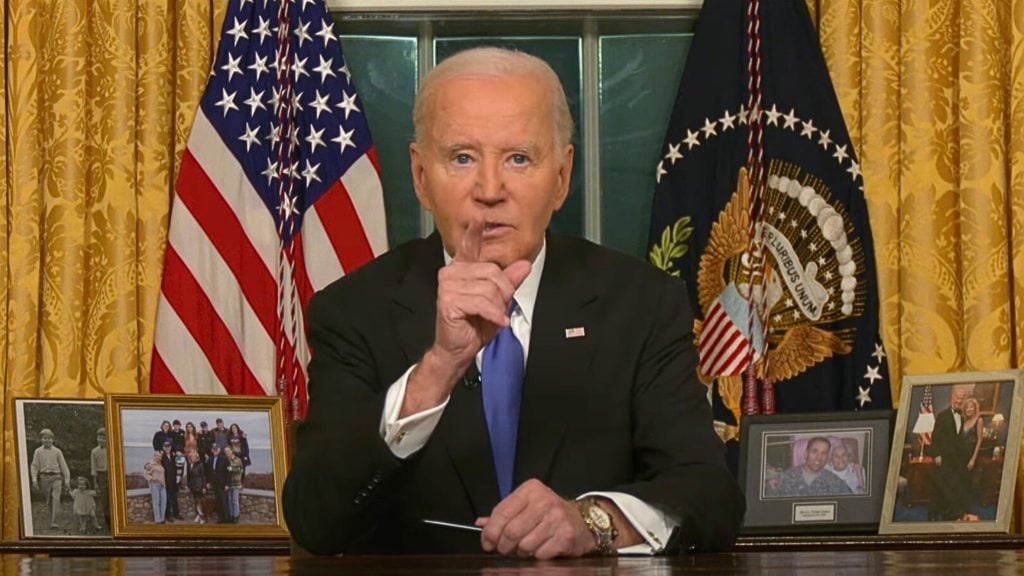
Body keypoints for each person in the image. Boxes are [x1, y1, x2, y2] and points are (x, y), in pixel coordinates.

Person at [284, 46, 743, 557]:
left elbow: (710, 495)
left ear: (562, 177)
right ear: (420, 177)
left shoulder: (641, 304)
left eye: (519, 158)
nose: (490, 189)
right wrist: (437, 368)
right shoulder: (352, 311)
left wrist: (594, 520)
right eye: (462, 158)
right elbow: (315, 520)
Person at [929, 385, 971, 521]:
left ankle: (952, 514)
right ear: (951, 397)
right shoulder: (942, 415)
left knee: (956, 487)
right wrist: (936, 455)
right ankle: (934, 515)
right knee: (942, 488)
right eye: (956, 397)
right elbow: (935, 438)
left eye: (961, 398)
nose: (959, 400)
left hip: (958, 460)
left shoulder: (964, 417)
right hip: (945, 459)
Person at [771, 437, 852, 497]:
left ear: (827, 458)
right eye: (814, 451)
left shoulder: (834, 481)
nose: (819, 457)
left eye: (823, 453)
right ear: (806, 454)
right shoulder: (787, 477)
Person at [30, 428, 71, 530]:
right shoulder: (38, 452)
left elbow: (64, 466)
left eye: (49, 438)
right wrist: (34, 480)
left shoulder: (57, 451)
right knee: (49, 500)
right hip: (44, 477)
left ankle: (54, 522)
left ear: (52, 439)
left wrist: (67, 481)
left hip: (56, 477)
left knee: (56, 498)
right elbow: (34, 466)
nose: (47, 440)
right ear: (41, 439)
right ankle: (51, 517)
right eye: (45, 438)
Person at [958, 397, 985, 521]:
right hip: (961, 455)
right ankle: (961, 508)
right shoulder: (964, 421)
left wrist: (973, 459)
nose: (969, 409)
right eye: (967, 407)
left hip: (971, 455)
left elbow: (979, 440)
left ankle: (967, 511)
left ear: (975, 408)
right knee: (961, 482)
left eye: (971, 407)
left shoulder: (979, 420)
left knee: (968, 482)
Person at [90, 427, 109, 530]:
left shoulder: (111, 449)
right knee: (104, 501)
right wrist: (95, 483)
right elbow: (93, 469)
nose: (101, 440)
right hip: (101, 477)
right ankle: (108, 523)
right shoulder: (94, 451)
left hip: (111, 475)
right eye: (99, 437)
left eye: (104, 438)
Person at [206, 443, 230, 524]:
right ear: (212, 450)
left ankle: (227, 519)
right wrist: (209, 482)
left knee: (224, 501)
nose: (215, 450)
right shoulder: (210, 459)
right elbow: (208, 472)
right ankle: (220, 518)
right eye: (213, 449)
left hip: (222, 484)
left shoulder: (224, 459)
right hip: (214, 484)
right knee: (218, 501)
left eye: (216, 449)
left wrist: (227, 484)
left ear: (219, 450)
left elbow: (228, 473)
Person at [160, 441, 183, 522]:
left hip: (173, 481)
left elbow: (180, 464)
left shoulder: (173, 456)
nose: (167, 448)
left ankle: (176, 514)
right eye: (166, 447)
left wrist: (179, 477)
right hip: (165, 481)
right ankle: (168, 516)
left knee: (174, 499)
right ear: (163, 447)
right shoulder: (161, 457)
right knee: (167, 500)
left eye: (169, 446)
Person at [143, 451, 166, 524]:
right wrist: (152, 478)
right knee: (156, 502)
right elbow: (145, 474)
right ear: (155, 456)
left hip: (162, 485)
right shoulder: (151, 464)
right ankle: (158, 520)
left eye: (160, 456)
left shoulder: (160, 464)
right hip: (155, 485)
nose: (159, 457)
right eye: (158, 456)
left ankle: (162, 518)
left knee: (164, 502)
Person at [226, 441, 244, 524]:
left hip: (236, 483)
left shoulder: (238, 460)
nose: (227, 453)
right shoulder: (225, 460)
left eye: (228, 451)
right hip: (228, 483)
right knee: (229, 500)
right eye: (226, 451)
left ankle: (236, 516)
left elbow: (241, 470)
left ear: (231, 451)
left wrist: (232, 469)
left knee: (235, 500)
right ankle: (231, 516)